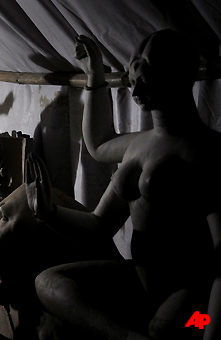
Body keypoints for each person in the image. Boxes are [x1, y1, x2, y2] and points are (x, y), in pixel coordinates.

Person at [29, 30, 221, 340]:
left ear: (179, 74)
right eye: (133, 75)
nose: (135, 85)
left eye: (147, 74)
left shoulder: (206, 153)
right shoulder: (138, 145)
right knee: (49, 283)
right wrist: (49, 213)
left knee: (169, 328)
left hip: (193, 302)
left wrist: (210, 329)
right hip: (140, 280)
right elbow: (99, 225)